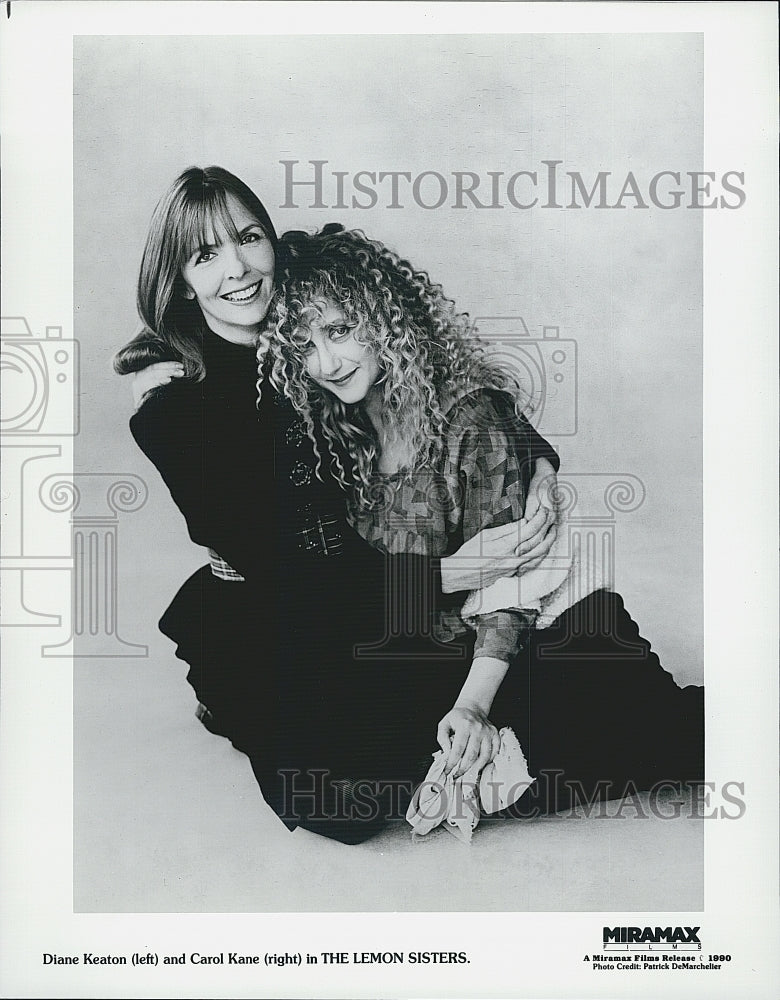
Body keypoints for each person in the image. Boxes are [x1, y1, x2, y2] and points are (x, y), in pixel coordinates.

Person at [115, 166, 560, 843]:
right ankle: (229, 696)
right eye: (206, 255)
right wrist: (449, 576)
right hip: (272, 610)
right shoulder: (177, 412)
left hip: (377, 586)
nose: (237, 269)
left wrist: (534, 461)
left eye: (248, 238)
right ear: (179, 280)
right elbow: (283, 568)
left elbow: (427, 362)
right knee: (340, 805)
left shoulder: (302, 299)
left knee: (487, 686)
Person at [269, 224, 704, 817]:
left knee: (659, 747)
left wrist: (472, 706)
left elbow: (510, 578)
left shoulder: (468, 418)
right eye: (303, 347)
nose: (326, 363)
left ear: (387, 321)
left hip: (512, 645)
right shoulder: (336, 429)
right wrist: (163, 363)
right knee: (329, 769)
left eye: (340, 330)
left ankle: (650, 708)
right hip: (424, 643)